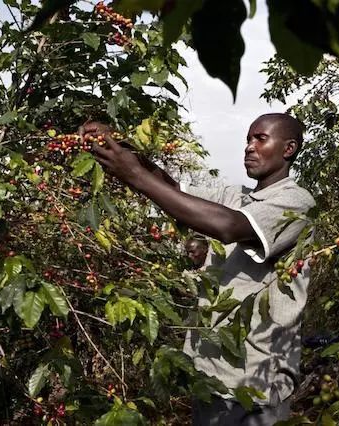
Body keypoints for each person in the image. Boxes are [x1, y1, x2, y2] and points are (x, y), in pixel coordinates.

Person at [80, 113, 315, 425]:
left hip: (255, 382)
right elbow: (174, 188)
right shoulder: (237, 196)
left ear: (289, 149)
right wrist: (120, 147)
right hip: (212, 375)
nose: (249, 147)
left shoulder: (295, 202)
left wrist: (135, 174)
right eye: (247, 139)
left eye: (260, 139)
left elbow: (228, 226)